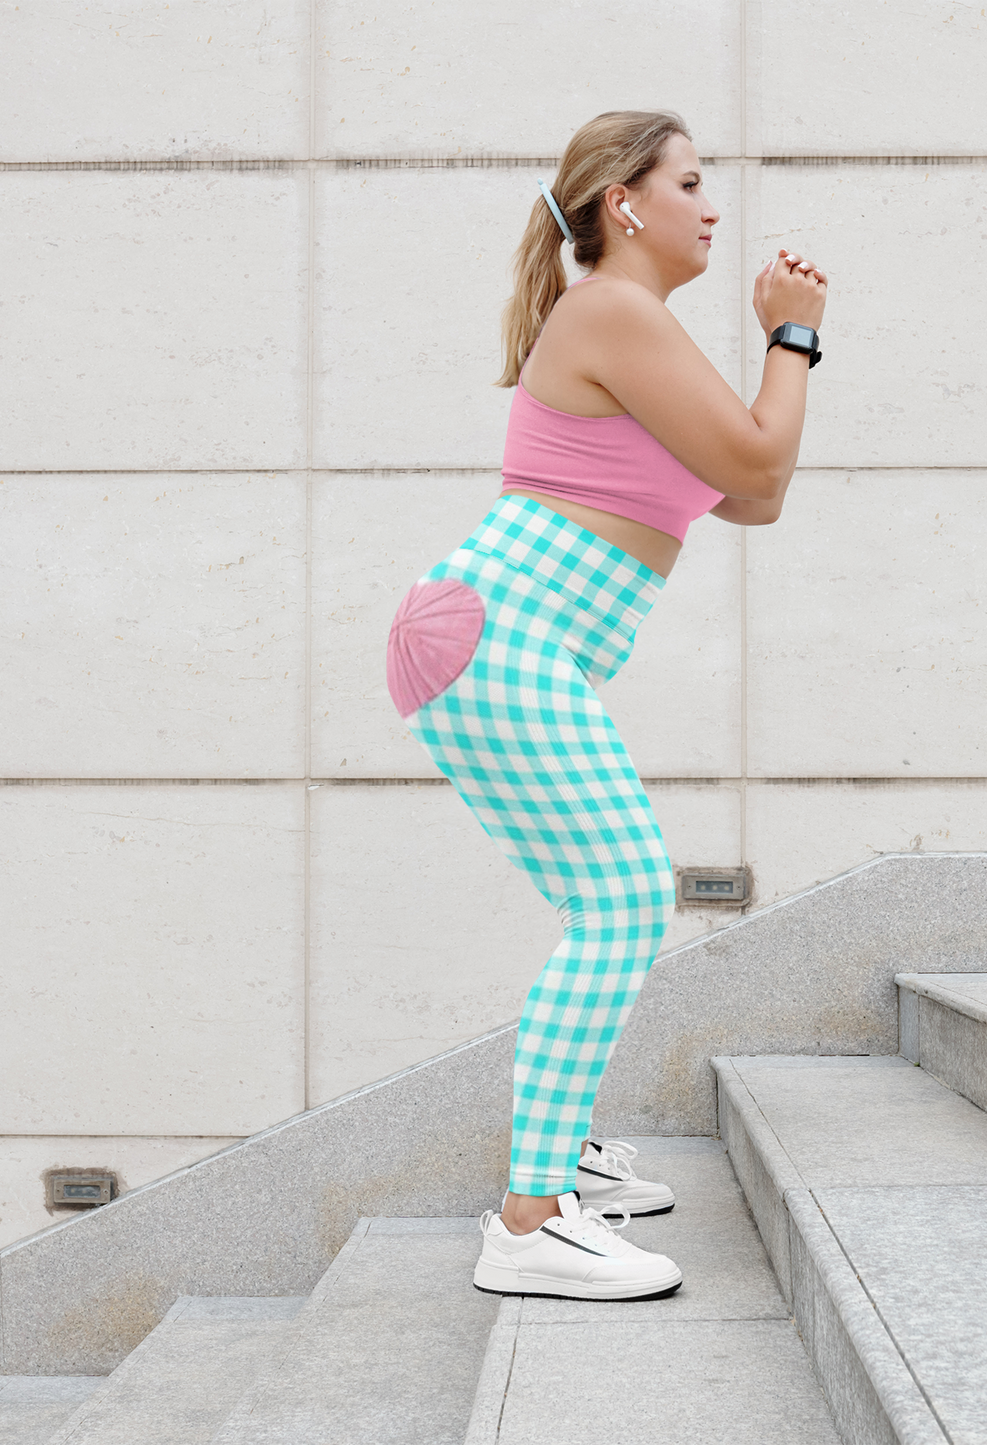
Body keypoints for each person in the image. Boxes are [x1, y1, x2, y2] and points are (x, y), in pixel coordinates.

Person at [385, 110, 827, 1300]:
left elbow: (755, 493)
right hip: (500, 630)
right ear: (623, 203)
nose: (712, 207)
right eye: (690, 183)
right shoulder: (612, 310)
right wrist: (792, 334)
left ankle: (559, 1155)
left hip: (498, 636)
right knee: (624, 893)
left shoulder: (637, 329)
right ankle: (528, 1221)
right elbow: (755, 458)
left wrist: (779, 355)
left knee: (605, 898)